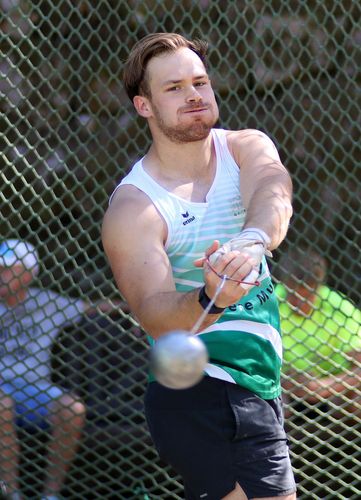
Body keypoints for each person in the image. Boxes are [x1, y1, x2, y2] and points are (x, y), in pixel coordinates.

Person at [102, 33, 296, 500]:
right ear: (143, 106)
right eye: (173, 88)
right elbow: (154, 312)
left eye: (200, 82)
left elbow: (274, 192)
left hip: (258, 385)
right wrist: (211, 296)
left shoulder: (245, 147)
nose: (193, 95)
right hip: (199, 390)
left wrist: (252, 240)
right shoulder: (136, 207)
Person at [0, 239, 123, 500]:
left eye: (7, 268)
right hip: (1, 390)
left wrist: (139, 310)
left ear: (28, 272)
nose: (1, 274)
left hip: (35, 390)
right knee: (2, 404)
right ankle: (12, 493)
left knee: (72, 408)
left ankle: (51, 494)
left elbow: (93, 307)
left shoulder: (46, 303)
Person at [275, 247, 361, 495]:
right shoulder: (269, 303)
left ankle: (348, 459)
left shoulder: (337, 306)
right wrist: (292, 384)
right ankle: (282, 466)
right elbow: (257, 362)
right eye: (294, 295)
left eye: (308, 295)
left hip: (335, 394)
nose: (301, 303)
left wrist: (325, 386)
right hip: (287, 392)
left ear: (319, 287)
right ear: (284, 285)